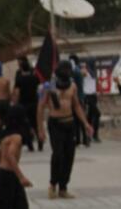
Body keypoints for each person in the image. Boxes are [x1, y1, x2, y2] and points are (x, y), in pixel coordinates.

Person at [36, 60, 92, 199]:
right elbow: (40, 107)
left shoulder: (72, 86)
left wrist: (85, 123)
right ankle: (53, 184)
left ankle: (63, 187)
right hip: (55, 124)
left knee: (69, 156)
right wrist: (40, 129)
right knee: (58, 154)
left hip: (70, 123)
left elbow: (77, 106)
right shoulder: (49, 87)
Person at [12, 56, 42, 151]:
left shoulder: (20, 79)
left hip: (23, 104)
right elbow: (39, 87)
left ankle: (30, 145)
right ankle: (40, 143)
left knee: (26, 125)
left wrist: (15, 104)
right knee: (36, 124)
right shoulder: (34, 78)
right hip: (34, 103)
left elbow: (17, 92)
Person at [80, 61, 100, 146]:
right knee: (95, 114)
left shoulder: (94, 73)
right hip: (87, 96)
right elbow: (82, 73)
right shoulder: (86, 71)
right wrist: (84, 67)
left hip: (93, 96)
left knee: (92, 116)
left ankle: (92, 135)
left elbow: (94, 83)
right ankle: (90, 135)